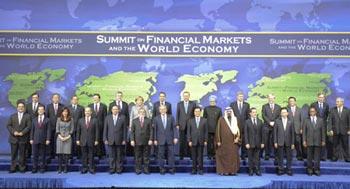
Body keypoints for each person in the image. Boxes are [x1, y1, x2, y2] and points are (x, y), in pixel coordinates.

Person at [7, 100, 31, 173]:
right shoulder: (12, 116)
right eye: (19, 107)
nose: (20, 108)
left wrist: (22, 133)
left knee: (22, 154)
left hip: (23, 138)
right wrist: (14, 132)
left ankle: (22, 168)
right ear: (17, 108)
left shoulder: (27, 116)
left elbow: (29, 126)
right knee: (13, 154)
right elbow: (8, 125)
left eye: (22, 107)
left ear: (24, 108)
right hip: (13, 138)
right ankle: (13, 167)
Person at [153, 105, 178, 175]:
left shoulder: (171, 117)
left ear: (166, 110)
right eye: (161, 109)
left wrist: (175, 137)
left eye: (164, 109)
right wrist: (155, 139)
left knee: (171, 155)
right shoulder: (156, 118)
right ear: (159, 110)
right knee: (160, 155)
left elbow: (174, 128)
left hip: (170, 139)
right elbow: (155, 130)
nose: (162, 110)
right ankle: (162, 169)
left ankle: (171, 169)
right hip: (160, 139)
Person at [215, 107, 240, 175]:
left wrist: (237, 138)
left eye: (230, 111)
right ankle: (224, 171)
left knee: (232, 157)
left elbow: (239, 130)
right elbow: (218, 131)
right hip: (223, 142)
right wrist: (218, 141)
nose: (229, 112)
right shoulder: (221, 119)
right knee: (224, 156)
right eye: (227, 111)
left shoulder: (235, 119)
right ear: (225, 112)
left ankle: (232, 171)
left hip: (233, 142)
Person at [103, 105, 127, 174]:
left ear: (119, 110)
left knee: (119, 156)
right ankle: (112, 169)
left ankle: (119, 169)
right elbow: (105, 129)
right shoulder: (108, 117)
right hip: (110, 140)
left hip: (120, 140)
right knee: (111, 156)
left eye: (116, 109)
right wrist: (105, 138)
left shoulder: (123, 117)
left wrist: (124, 139)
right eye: (113, 109)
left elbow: (125, 129)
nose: (115, 110)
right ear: (111, 110)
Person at [303, 107, 325, 176]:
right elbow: (304, 132)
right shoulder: (306, 120)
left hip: (318, 141)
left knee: (317, 157)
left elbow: (323, 132)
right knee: (309, 157)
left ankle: (317, 170)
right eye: (310, 111)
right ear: (309, 112)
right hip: (309, 142)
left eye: (313, 111)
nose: (312, 112)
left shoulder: (321, 120)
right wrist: (304, 140)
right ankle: (309, 170)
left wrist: (323, 140)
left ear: (315, 112)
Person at [130, 108, 153, 174]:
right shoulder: (134, 121)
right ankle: (138, 170)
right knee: (138, 156)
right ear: (138, 112)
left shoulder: (149, 120)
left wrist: (150, 139)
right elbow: (132, 132)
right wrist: (132, 140)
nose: (142, 113)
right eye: (140, 111)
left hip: (146, 141)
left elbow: (151, 131)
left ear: (145, 113)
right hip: (137, 141)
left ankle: (146, 170)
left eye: (143, 112)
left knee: (146, 156)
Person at [77, 107, 99, 174]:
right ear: (84, 112)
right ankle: (84, 168)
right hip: (82, 140)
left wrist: (96, 140)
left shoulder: (95, 120)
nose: (87, 112)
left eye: (88, 111)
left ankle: (91, 168)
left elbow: (97, 131)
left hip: (91, 140)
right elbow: (78, 131)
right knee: (84, 155)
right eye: (86, 111)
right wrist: (77, 139)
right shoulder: (80, 120)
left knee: (91, 155)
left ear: (91, 112)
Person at [327, 97, 350, 162]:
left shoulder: (347, 110)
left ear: (342, 102)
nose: (336, 103)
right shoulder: (332, 110)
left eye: (338, 101)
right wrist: (330, 129)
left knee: (345, 145)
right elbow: (329, 121)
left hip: (345, 131)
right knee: (335, 145)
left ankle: (347, 157)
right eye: (336, 101)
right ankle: (335, 157)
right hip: (335, 131)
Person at [108, 91, 130, 159]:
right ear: (116, 96)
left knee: (122, 142)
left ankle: (123, 155)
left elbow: (127, 115)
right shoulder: (111, 104)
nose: (119, 97)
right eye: (118, 95)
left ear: (122, 96)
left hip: (123, 126)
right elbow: (109, 115)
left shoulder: (125, 104)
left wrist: (128, 124)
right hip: (113, 127)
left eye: (120, 95)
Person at [274, 108, 295, 176]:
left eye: (285, 112)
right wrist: (275, 142)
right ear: (280, 113)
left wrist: (292, 143)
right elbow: (275, 133)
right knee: (280, 156)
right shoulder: (277, 121)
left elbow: (292, 133)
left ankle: (289, 169)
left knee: (289, 156)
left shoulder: (291, 121)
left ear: (287, 113)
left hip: (289, 142)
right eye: (282, 112)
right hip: (280, 141)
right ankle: (281, 169)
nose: (284, 113)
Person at [30, 105, 51, 173]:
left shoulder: (47, 120)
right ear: (38, 111)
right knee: (35, 155)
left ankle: (42, 168)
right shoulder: (34, 119)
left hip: (43, 140)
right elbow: (32, 130)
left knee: (43, 155)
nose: (40, 111)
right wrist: (31, 139)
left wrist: (48, 139)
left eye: (42, 109)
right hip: (35, 139)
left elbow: (48, 130)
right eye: (39, 109)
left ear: (44, 111)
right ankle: (34, 168)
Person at [187, 107, 208, 175]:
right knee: (193, 156)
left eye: (198, 111)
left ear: (200, 112)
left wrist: (205, 140)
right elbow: (188, 132)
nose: (197, 112)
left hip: (201, 141)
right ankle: (194, 169)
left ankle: (201, 170)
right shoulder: (190, 120)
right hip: (193, 141)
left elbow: (206, 132)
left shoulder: (204, 120)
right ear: (194, 112)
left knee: (200, 156)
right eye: (196, 111)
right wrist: (189, 140)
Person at [230, 91, 250, 160]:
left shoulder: (247, 105)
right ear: (237, 97)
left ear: (243, 97)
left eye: (242, 96)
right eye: (239, 96)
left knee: (244, 141)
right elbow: (231, 116)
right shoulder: (232, 105)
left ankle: (243, 156)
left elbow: (248, 116)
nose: (240, 97)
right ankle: (235, 155)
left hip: (244, 126)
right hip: (235, 127)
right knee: (236, 142)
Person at [176, 91, 196, 159]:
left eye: (187, 96)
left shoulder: (193, 104)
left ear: (189, 96)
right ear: (183, 96)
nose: (186, 97)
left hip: (191, 125)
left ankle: (190, 155)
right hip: (181, 125)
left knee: (190, 140)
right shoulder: (179, 104)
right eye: (184, 96)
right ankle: (181, 155)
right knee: (182, 141)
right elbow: (177, 114)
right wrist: (177, 124)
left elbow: (194, 114)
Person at [245, 108, 264, 176]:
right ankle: (251, 170)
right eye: (253, 112)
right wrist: (247, 143)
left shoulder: (260, 121)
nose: (254, 113)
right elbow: (246, 133)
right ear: (250, 113)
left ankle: (257, 170)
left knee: (257, 158)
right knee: (250, 158)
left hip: (258, 143)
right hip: (250, 143)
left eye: (255, 112)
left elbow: (262, 133)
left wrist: (262, 142)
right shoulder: (247, 122)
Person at [310, 92, 330, 160]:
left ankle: (322, 156)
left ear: (324, 98)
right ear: (317, 97)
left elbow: (327, 115)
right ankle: (313, 156)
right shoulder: (313, 104)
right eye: (320, 97)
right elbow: (310, 114)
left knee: (323, 140)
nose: (321, 99)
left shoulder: (326, 105)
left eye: (322, 97)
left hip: (323, 125)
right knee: (314, 140)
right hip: (315, 125)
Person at [262, 94, 281, 160]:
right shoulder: (264, 106)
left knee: (275, 141)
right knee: (266, 141)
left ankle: (276, 155)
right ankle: (267, 154)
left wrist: (274, 122)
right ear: (268, 99)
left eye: (272, 98)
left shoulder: (278, 107)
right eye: (269, 98)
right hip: (267, 126)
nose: (271, 99)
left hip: (275, 127)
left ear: (274, 98)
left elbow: (279, 116)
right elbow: (263, 116)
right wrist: (269, 122)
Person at [25, 92, 44, 158]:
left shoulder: (41, 105)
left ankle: (37, 155)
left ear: (38, 98)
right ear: (31, 98)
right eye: (33, 97)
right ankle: (28, 154)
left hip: (37, 127)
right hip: (28, 126)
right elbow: (25, 116)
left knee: (37, 142)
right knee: (29, 141)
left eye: (36, 97)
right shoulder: (27, 106)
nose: (35, 99)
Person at [88, 93, 107, 159]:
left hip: (101, 126)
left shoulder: (103, 106)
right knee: (93, 139)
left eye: (96, 98)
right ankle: (94, 153)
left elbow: (105, 117)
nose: (95, 99)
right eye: (94, 98)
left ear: (99, 98)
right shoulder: (89, 106)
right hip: (92, 126)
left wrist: (105, 126)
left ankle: (100, 154)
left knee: (100, 140)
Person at [46, 93, 65, 159]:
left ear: (59, 99)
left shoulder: (62, 106)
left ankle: (58, 154)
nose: (56, 99)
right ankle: (51, 154)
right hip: (50, 127)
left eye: (57, 98)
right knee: (50, 140)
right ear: (52, 99)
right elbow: (47, 117)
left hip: (59, 127)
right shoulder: (48, 106)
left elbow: (63, 116)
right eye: (54, 98)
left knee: (58, 141)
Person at [56, 107, 74, 173]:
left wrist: (67, 137)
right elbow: (57, 129)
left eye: (66, 111)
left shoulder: (71, 119)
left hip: (68, 138)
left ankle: (65, 168)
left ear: (68, 112)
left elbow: (72, 129)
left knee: (66, 154)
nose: (65, 113)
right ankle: (60, 168)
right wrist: (60, 137)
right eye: (64, 112)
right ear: (62, 112)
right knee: (60, 154)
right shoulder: (58, 119)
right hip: (59, 138)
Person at [203, 95, 222, 160]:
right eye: (211, 101)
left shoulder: (219, 109)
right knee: (208, 143)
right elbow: (204, 119)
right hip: (208, 129)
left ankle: (215, 154)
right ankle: (209, 154)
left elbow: (220, 120)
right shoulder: (206, 109)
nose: (212, 102)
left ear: (215, 101)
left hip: (216, 129)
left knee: (215, 143)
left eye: (213, 101)